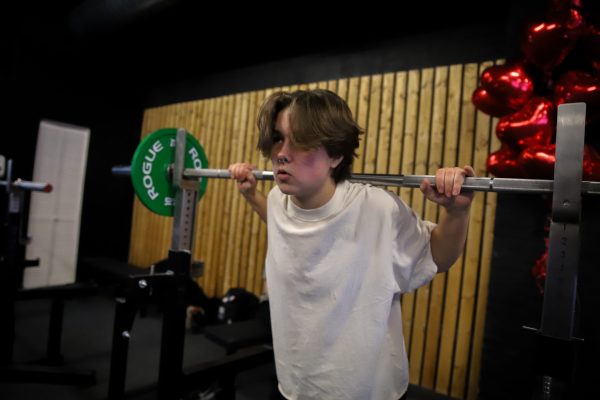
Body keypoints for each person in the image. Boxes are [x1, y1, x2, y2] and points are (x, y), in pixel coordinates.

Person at [228, 89, 474, 400]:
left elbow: (437, 257)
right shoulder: (279, 200)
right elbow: (284, 226)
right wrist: (252, 196)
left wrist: (457, 210)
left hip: (368, 390)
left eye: (300, 141)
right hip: (294, 384)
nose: (281, 153)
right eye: (278, 138)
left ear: (335, 154)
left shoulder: (377, 209)